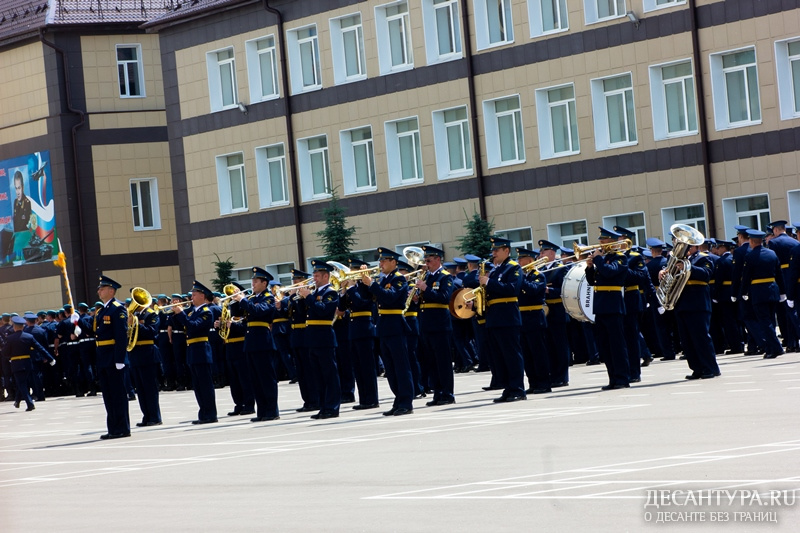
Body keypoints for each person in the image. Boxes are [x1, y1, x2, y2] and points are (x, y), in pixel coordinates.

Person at [364, 247, 414, 416]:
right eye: (380, 260)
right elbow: (370, 297)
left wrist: (371, 284)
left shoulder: (399, 279)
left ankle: (406, 401)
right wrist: (365, 282)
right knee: (390, 368)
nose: (381, 263)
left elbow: (390, 297)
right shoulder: (382, 279)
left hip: (395, 325)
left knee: (401, 366)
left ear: (394, 262)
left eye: (384, 260)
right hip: (384, 325)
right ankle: (398, 399)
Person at [230, 268, 280, 422]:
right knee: (255, 379)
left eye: (256, 281)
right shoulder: (252, 298)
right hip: (251, 342)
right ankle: (262, 411)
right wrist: (230, 323)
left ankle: (272, 411)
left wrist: (243, 300)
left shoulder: (268, 297)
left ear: (264, 283)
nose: (253, 283)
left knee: (266, 378)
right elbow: (246, 321)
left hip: (263, 342)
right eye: (252, 281)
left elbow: (259, 312)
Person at [480, 237, 525, 403]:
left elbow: (512, 289)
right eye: (493, 251)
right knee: (501, 357)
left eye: (496, 250)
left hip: (507, 318)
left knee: (512, 355)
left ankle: (518, 389)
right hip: (494, 318)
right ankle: (508, 388)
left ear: (506, 251)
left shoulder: (513, 268)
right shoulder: (496, 270)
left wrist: (489, 282)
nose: (493, 254)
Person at [585, 228, 629, 390]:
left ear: (613, 242)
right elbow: (592, 282)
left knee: (617, 345)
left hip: (613, 306)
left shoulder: (620, 258)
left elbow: (610, 273)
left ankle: (622, 378)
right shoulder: (602, 259)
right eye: (601, 240)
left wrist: (597, 260)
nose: (601, 243)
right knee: (605, 346)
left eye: (604, 240)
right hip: (601, 306)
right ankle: (613, 378)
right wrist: (589, 267)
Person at [296, 260, 341, 420]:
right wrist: (301, 298)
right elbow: (303, 314)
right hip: (312, 338)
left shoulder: (331, 292)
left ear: (325, 276)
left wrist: (308, 297)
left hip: (324, 337)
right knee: (318, 376)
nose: (314, 278)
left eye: (317, 275)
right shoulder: (314, 294)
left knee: (329, 374)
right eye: (314, 275)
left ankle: (332, 407)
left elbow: (322, 311)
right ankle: (323, 406)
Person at [173, 281, 218, 424]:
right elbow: (181, 323)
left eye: (194, 294)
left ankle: (210, 414)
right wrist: (177, 313)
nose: (191, 297)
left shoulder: (206, 312)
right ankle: (203, 413)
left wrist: (181, 314)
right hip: (192, 350)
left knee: (205, 385)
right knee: (197, 386)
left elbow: (193, 326)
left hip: (201, 349)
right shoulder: (193, 311)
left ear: (202, 296)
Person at [415, 245, 456, 406]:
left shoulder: (445, 277)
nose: (426, 263)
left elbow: (445, 297)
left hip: (440, 325)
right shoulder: (427, 276)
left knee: (443, 362)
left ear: (438, 260)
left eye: (429, 260)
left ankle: (447, 394)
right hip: (426, 324)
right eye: (425, 260)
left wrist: (426, 289)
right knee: (431, 362)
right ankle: (437, 393)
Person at [94, 275, 131, 439]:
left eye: (102, 288)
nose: (99, 291)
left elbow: (121, 336)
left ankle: (122, 428)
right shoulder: (102, 310)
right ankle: (113, 428)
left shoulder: (118, 309)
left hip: (113, 358)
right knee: (108, 395)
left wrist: (119, 360)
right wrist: (76, 323)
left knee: (118, 395)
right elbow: (97, 333)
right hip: (103, 358)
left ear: (111, 291)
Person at [741, 229, 787, 359]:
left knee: (764, 322)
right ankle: (772, 347)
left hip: (758, 291)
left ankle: (775, 348)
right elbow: (779, 274)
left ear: (751, 241)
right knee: (771, 321)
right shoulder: (772, 254)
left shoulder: (750, 256)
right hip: (773, 289)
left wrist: (743, 292)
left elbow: (746, 276)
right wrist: (783, 292)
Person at [341, 258, 380, 410]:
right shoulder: (352, 287)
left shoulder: (365, 285)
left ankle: (372, 399)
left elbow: (362, 303)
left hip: (365, 328)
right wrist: (344, 291)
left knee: (367, 367)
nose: (350, 274)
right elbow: (341, 308)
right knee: (358, 367)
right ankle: (364, 399)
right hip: (353, 329)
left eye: (353, 271)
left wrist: (351, 289)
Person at [2, 315, 55, 410]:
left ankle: (29, 403)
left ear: (14, 327)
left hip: (16, 363)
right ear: (23, 326)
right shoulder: (29, 337)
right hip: (27, 363)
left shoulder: (10, 338)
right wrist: (50, 358)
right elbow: (40, 348)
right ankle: (17, 401)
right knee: (22, 382)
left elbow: (5, 352)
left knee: (21, 383)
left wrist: (10, 357)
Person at [516, 247, 549, 394]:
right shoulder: (521, 276)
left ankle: (544, 383)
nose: (518, 262)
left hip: (535, 316)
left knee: (538, 353)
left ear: (529, 260)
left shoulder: (538, 275)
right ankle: (533, 382)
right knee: (527, 354)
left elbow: (532, 290)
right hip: (522, 318)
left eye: (521, 259)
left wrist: (521, 277)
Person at [128, 293, 162, 427]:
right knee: (140, 389)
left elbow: (152, 331)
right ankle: (146, 416)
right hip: (135, 354)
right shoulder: (134, 316)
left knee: (150, 388)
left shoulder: (151, 314)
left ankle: (155, 416)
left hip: (148, 353)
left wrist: (136, 325)